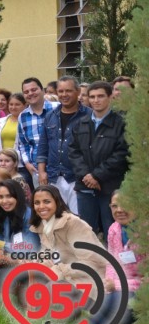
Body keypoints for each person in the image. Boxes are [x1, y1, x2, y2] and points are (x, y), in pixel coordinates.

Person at [68, 80, 129, 236]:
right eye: (92, 96)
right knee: (87, 233)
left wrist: (96, 175)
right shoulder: (80, 123)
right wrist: (86, 176)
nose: (96, 100)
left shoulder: (121, 123)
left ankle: (115, 261)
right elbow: (74, 151)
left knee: (113, 231)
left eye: (100, 96)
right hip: (85, 187)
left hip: (110, 187)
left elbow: (121, 154)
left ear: (110, 97)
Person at [29, 185, 107, 291]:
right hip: (63, 276)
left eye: (47, 201)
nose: (41, 206)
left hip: (88, 279)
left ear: (57, 202)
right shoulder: (43, 225)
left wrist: (59, 270)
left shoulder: (73, 223)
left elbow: (93, 262)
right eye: (37, 203)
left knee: (46, 291)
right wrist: (41, 260)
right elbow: (48, 253)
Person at [87, 191, 140, 324]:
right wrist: (108, 284)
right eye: (114, 206)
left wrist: (116, 285)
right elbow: (112, 262)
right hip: (120, 287)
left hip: (139, 291)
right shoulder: (114, 229)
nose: (119, 210)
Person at [36, 76, 90, 214]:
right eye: (60, 91)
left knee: (78, 219)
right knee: (56, 218)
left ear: (78, 92)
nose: (64, 95)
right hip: (54, 175)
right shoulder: (50, 115)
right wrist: (42, 172)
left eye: (68, 91)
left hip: (77, 177)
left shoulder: (89, 116)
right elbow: (43, 146)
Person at [0, 175, 39, 292]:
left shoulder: (29, 216)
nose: (4, 201)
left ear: (18, 197)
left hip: (27, 261)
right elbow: (0, 239)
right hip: (8, 260)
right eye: (1, 197)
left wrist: (0, 245)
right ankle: (16, 286)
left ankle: (25, 285)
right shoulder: (4, 214)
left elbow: (29, 248)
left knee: (0, 275)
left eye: (9, 196)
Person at [16, 77, 56, 187]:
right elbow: (23, 144)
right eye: (26, 92)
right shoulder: (23, 116)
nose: (30, 94)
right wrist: (27, 163)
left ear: (42, 90)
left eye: (34, 90)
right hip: (36, 169)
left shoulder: (57, 108)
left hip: (59, 169)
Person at [0, 92, 26, 161]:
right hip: (3, 162)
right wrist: (0, 156)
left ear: (24, 105)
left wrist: (13, 158)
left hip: (20, 163)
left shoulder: (26, 122)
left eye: (17, 104)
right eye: (11, 104)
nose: (13, 107)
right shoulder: (0, 121)